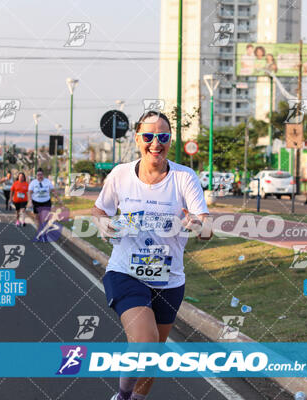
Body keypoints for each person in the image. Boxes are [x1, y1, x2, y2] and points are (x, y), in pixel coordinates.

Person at [92, 111, 212, 400]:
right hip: (126, 272)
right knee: (145, 344)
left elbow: (207, 227)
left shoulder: (184, 177)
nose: (155, 143)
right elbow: (99, 210)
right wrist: (103, 224)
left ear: (170, 140)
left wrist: (197, 224)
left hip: (169, 279)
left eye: (163, 137)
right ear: (137, 139)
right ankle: (121, 396)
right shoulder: (120, 174)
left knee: (153, 355)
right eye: (148, 136)